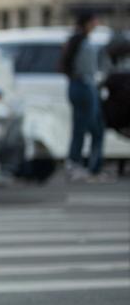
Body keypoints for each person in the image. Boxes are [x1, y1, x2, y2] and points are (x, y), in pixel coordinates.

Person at [61, 12, 107, 180]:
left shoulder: (79, 40)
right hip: (84, 86)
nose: (96, 22)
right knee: (87, 127)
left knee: (90, 127)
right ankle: (79, 165)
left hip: (81, 85)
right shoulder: (81, 41)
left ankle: (85, 165)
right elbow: (85, 68)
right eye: (94, 20)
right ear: (88, 22)